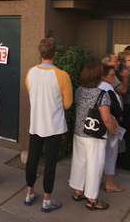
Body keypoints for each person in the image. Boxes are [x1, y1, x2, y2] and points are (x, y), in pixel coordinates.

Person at [24, 38, 73, 212]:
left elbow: (32, 94)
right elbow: (67, 104)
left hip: (36, 123)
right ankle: (47, 199)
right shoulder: (62, 75)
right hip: (54, 126)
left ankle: (29, 193)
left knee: (33, 159)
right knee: (50, 162)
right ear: (55, 54)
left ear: (39, 53)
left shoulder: (30, 73)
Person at [70, 62, 120, 211]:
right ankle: (92, 199)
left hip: (79, 132)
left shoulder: (79, 90)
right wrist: (115, 130)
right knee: (95, 165)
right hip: (95, 135)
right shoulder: (102, 95)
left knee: (80, 162)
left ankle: (78, 191)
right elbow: (106, 118)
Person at [98, 64, 124, 193]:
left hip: (95, 127)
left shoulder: (92, 87)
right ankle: (109, 182)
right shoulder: (107, 88)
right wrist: (116, 121)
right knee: (110, 154)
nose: (114, 77)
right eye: (112, 75)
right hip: (108, 127)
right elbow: (117, 110)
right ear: (104, 77)